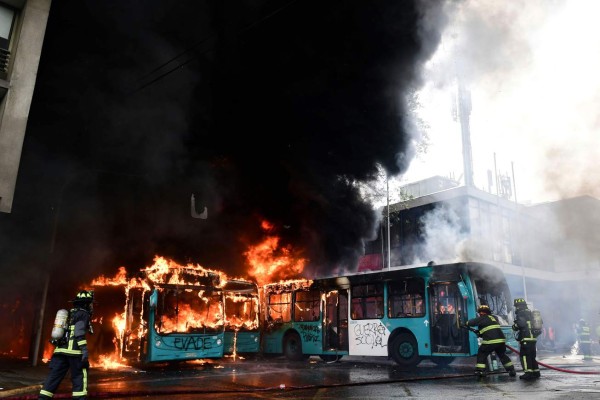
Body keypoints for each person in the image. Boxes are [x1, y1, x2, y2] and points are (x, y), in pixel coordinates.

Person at [39, 290, 94, 400]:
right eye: (90, 303)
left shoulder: (69, 313)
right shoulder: (83, 314)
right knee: (79, 376)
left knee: (54, 377)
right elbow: (78, 332)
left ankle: (43, 398)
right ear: (86, 303)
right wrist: (84, 350)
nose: (91, 306)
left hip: (60, 351)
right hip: (75, 353)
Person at [464, 304, 516, 378]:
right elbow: (488, 329)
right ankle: (511, 370)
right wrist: (479, 332)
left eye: (480, 313)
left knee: (482, 353)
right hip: (501, 341)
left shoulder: (482, 318)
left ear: (481, 313)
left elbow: (470, 323)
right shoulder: (494, 318)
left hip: (491, 341)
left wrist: (464, 323)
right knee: (502, 355)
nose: (479, 314)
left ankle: (480, 371)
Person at [512, 298, 540, 380]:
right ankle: (536, 372)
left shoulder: (520, 313)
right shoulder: (530, 313)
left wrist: (514, 326)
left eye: (516, 306)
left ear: (518, 306)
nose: (516, 308)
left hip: (525, 338)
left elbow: (521, 324)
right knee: (532, 356)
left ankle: (528, 373)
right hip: (533, 338)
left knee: (524, 356)